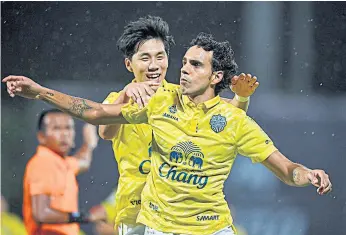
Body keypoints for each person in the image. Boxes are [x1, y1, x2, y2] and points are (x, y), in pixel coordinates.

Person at [3, 33, 332, 235]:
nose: (184, 69)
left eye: (196, 65)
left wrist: (308, 174)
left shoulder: (235, 121)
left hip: (212, 229)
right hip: (157, 227)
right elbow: (97, 114)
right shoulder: (159, 101)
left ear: (216, 76)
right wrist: (41, 92)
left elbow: (287, 170)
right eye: (184, 62)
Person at [97, 15, 258, 235]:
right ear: (129, 64)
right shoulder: (118, 98)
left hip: (180, 213)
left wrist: (241, 97)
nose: (154, 65)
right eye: (145, 58)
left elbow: (228, 116)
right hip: (137, 214)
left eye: (160, 57)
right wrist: (126, 95)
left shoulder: (181, 97)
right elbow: (105, 132)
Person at [21, 109, 100, 235]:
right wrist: (85, 216)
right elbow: (42, 214)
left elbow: (82, 162)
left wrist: (89, 143)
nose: (64, 134)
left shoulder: (62, 162)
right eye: (57, 129)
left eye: (68, 128)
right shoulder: (43, 163)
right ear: (42, 137)